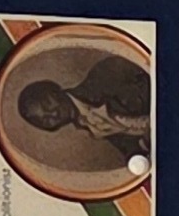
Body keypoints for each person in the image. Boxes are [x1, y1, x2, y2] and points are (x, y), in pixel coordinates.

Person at [13, 55, 149, 162]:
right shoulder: (94, 130)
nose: (53, 113)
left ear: (55, 89)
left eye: (47, 104)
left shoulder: (106, 71)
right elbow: (133, 147)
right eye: (46, 120)